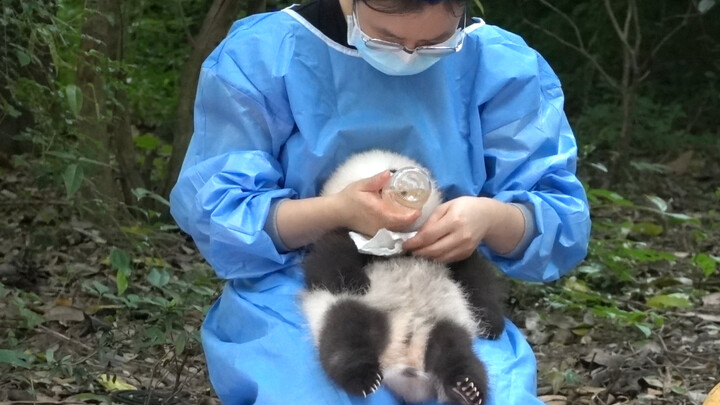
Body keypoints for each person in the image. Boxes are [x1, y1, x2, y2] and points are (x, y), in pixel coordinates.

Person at [169, 0, 591, 403]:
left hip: (438, 286)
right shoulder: (264, 56)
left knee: (485, 389)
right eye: (388, 38)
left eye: (435, 43)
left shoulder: (502, 67)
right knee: (320, 389)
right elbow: (218, 212)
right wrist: (335, 214)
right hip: (294, 285)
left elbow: (561, 221)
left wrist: (492, 218)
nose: (409, 57)